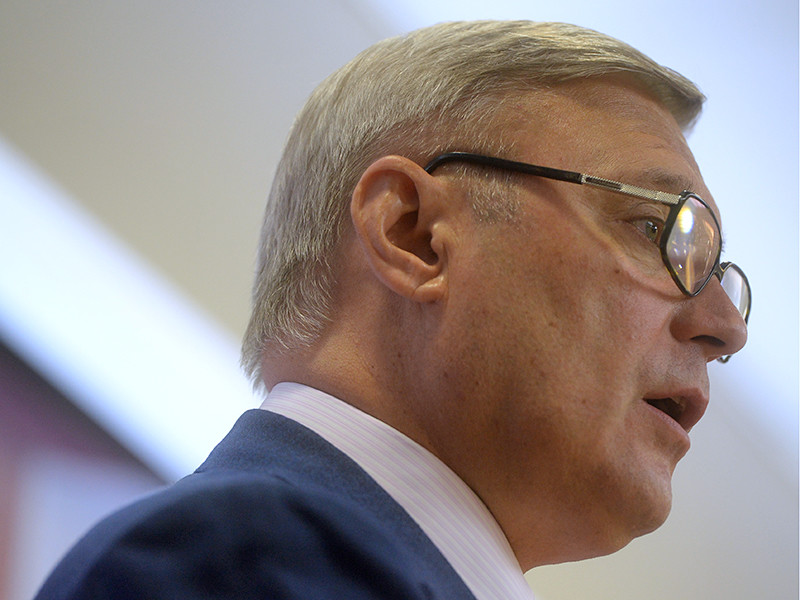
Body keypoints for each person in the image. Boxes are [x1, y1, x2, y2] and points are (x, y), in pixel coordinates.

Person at [34, 20, 750, 600]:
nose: (726, 327)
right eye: (654, 230)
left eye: (718, 272)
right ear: (414, 235)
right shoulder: (242, 561)